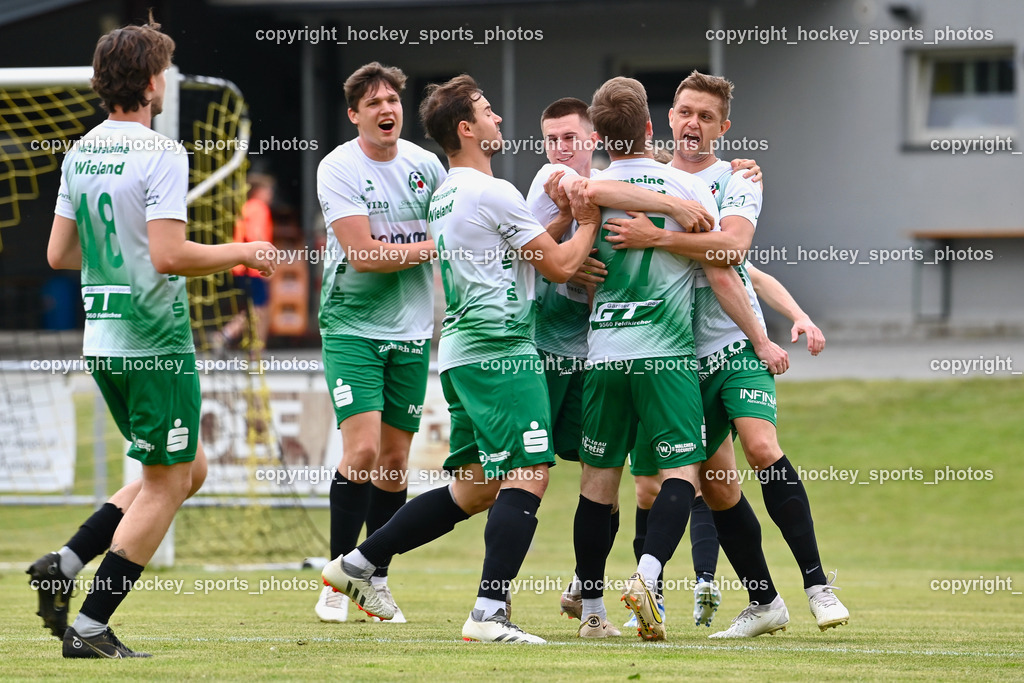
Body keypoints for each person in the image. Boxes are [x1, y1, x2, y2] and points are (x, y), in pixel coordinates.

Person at [321, 74, 602, 644]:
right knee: (530, 472)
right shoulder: (489, 191)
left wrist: (558, 230)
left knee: (476, 487)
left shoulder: (448, 190)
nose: (499, 119)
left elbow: (517, 251)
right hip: (499, 349)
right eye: (488, 111)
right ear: (468, 129)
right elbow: (561, 267)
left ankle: (356, 564)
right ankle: (489, 613)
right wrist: (588, 219)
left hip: (461, 352)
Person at [34, 14, 275, 658]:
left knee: (183, 468)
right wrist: (245, 249)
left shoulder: (82, 149)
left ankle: (66, 559)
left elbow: (60, 253)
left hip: (104, 336)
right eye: (163, 69)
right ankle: (88, 626)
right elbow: (170, 255)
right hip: (154, 340)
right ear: (148, 81)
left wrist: (119, 259)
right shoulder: (162, 152)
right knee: (168, 481)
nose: (166, 80)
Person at [607, 70, 850, 637]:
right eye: (686, 112)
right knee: (714, 485)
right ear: (669, 117)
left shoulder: (738, 179)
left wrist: (660, 237)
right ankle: (764, 602)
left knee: (763, 446)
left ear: (723, 127)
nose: (693, 124)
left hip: (735, 343)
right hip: (673, 355)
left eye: (707, 117)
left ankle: (819, 586)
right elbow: (596, 195)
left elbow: (734, 248)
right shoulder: (647, 180)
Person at [561, 77, 787, 641]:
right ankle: (646, 574)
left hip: (605, 354)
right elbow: (722, 266)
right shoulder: (688, 195)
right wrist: (761, 337)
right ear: (649, 128)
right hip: (667, 356)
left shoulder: (585, 190)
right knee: (683, 472)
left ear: (598, 134)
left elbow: (574, 264)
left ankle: (592, 615)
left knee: (597, 483)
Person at [312, 62, 446, 624]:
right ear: (355, 115)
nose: (386, 110)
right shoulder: (338, 167)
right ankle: (335, 579)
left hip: (412, 332)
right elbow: (365, 253)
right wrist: (431, 248)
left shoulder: (426, 165)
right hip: (352, 326)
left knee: (394, 464)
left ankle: (374, 576)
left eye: (392, 100)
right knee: (361, 453)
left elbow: (457, 222)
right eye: (373, 104)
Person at [216, 173, 276, 353]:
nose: (271, 194)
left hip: (241, 267)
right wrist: (264, 261)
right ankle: (248, 348)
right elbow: (255, 235)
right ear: (258, 191)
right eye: (268, 190)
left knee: (254, 309)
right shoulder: (258, 207)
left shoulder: (246, 207)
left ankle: (247, 346)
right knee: (259, 310)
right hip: (252, 268)